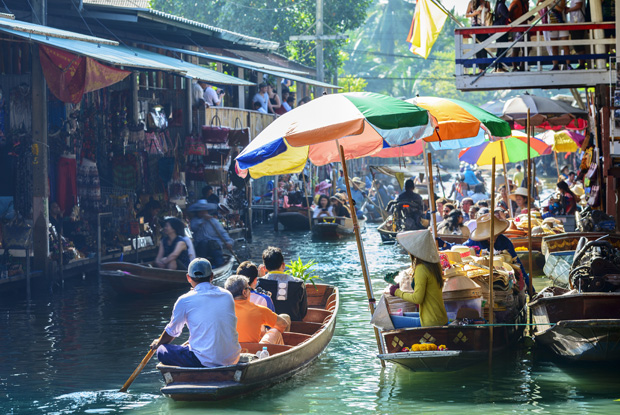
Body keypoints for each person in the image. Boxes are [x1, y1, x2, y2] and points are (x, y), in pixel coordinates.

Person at [150, 258, 241, 367]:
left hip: (204, 361)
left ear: (188, 278)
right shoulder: (227, 295)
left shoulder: (184, 300)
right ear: (211, 276)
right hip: (232, 358)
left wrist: (158, 343)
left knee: (162, 350)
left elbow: (172, 332)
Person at [437, 213, 531, 302]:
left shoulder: (505, 242)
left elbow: (518, 264)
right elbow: (461, 248)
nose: (492, 238)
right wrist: (445, 244)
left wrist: (531, 289)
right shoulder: (475, 242)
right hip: (482, 278)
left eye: (495, 235)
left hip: (502, 277)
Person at [388, 230, 448, 327]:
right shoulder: (434, 265)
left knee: (388, 319)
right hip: (440, 318)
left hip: (431, 322)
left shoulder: (421, 268)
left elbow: (417, 299)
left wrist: (396, 292)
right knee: (401, 315)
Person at [225, 275, 290, 345]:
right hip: (253, 352)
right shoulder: (259, 310)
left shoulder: (220, 310)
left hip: (227, 352)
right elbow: (283, 324)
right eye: (249, 289)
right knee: (281, 323)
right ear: (244, 293)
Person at [257, 246, 308, 321]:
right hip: (294, 325)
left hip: (268, 326)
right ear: (283, 265)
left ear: (264, 268)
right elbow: (303, 312)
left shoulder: (259, 283)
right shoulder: (299, 283)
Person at [188, 200, 234, 268]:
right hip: (201, 248)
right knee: (204, 243)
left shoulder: (214, 221)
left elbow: (223, 233)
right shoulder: (194, 221)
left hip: (214, 247)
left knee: (216, 251)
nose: (202, 212)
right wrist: (203, 219)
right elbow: (194, 227)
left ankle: (220, 265)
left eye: (204, 210)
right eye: (200, 211)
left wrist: (229, 242)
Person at [509, 0, 528, 71]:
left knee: (526, 47)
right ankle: (514, 67)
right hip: (517, 28)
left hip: (525, 28)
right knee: (516, 48)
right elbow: (510, 15)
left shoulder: (524, 3)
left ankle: (522, 66)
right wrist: (516, 24)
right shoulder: (516, 3)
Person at [567, 0, 587, 70]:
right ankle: (581, 63)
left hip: (578, 22)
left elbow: (579, 5)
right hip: (575, 22)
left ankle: (582, 64)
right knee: (577, 44)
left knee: (578, 44)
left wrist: (568, 10)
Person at [493, 0, 511, 72]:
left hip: (499, 29)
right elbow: (507, 15)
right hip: (501, 29)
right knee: (502, 49)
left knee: (500, 49)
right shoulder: (501, 5)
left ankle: (498, 67)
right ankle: (499, 67)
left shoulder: (499, 5)